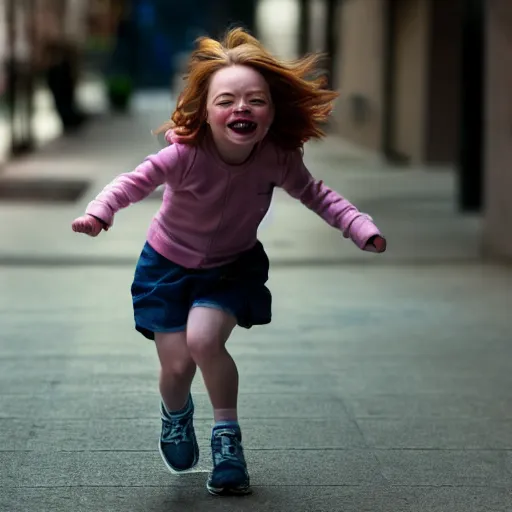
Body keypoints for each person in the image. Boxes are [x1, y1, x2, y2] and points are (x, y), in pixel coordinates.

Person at [71, 27, 387, 497]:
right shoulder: (185, 154)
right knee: (176, 368)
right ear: (205, 111)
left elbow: (317, 194)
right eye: (227, 100)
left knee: (203, 340)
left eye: (255, 100)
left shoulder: (276, 158)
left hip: (231, 266)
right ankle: (177, 416)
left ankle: (227, 441)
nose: (241, 108)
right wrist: (100, 211)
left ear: (272, 111)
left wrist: (359, 226)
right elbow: (131, 182)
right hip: (166, 267)